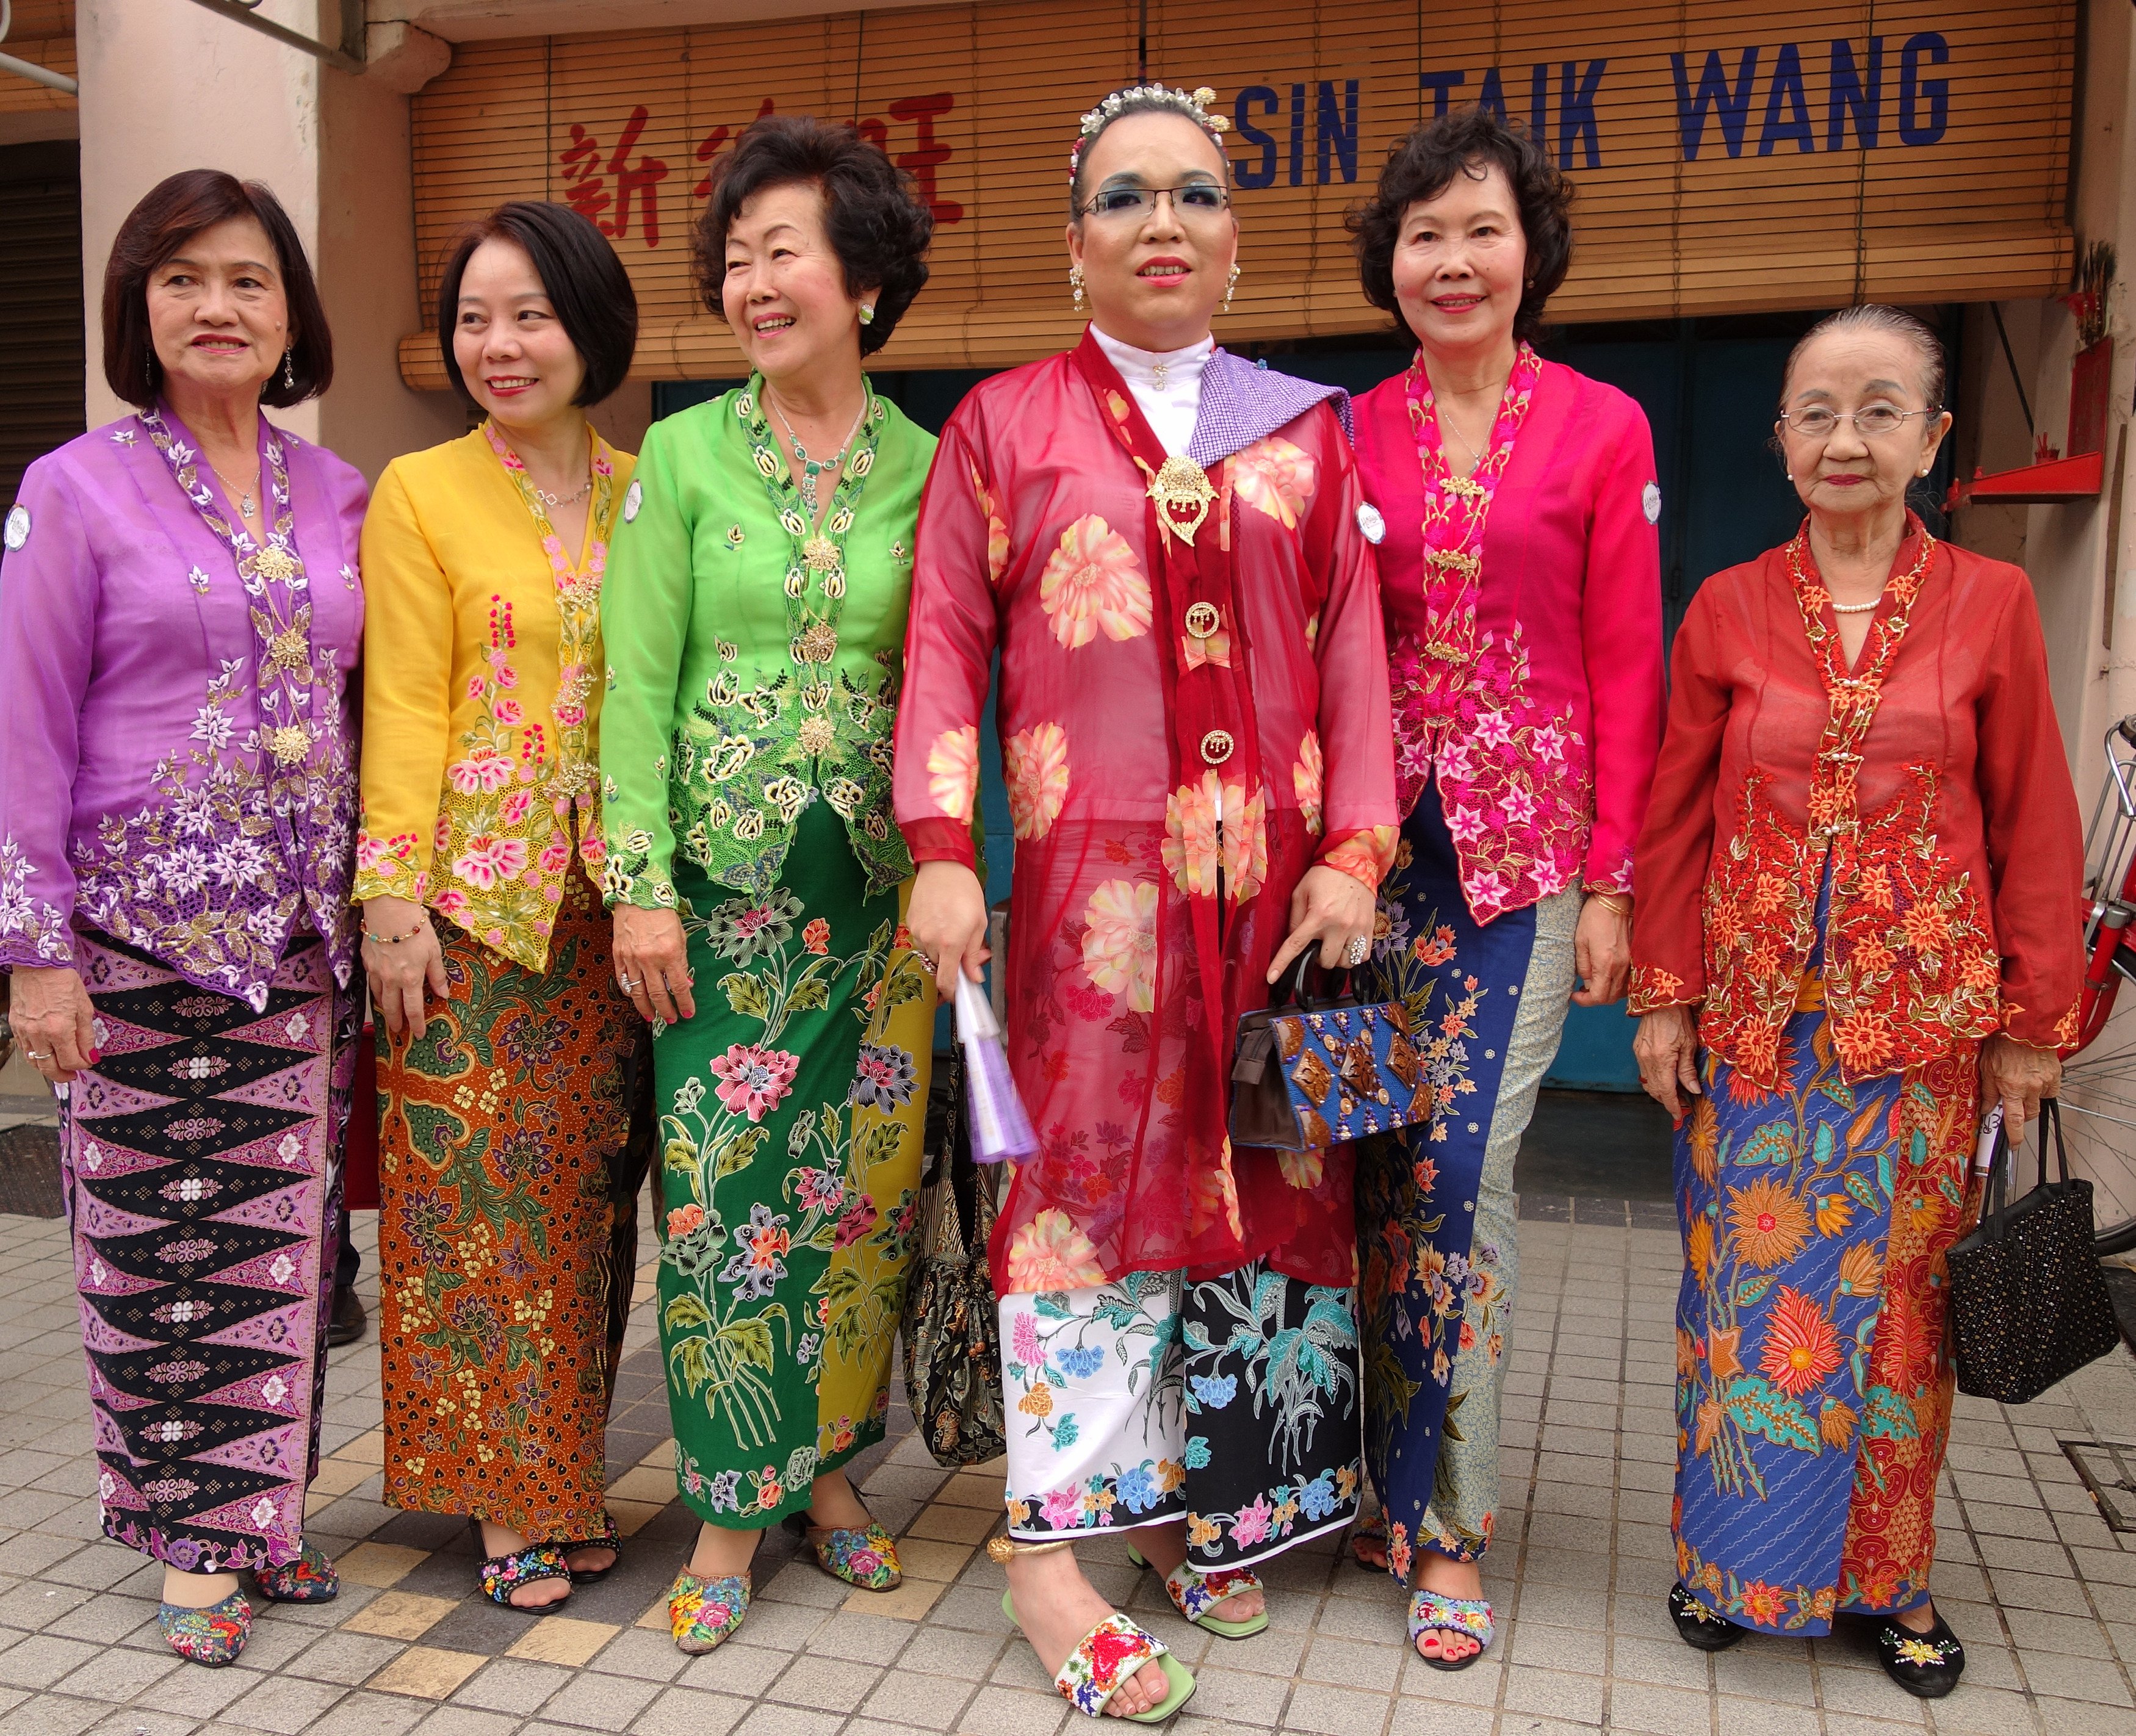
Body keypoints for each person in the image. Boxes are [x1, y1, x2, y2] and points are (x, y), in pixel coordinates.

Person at [898, 84, 1398, 1723]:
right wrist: (943, 840)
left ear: (1235, 243)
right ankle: (1050, 1552)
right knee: (1078, 1197)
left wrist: (1354, 847)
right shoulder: (1004, 425)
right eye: (1123, 197)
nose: (1159, 222)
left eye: (1191, 195)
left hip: (1268, 899)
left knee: (1254, 1181)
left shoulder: (1301, 429)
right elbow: (938, 652)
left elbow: (1348, 653)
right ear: (1074, 247)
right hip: (1084, 904)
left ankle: (1208, 1504)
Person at [1629, 304, 2084, 1700]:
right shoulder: (1725, 605)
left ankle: (1888, 1582)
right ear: (1778, 439)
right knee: (1742, 1303)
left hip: (1923, 1040)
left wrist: (2029, 1022)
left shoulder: (1991, 604)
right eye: (1816, 411)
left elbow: (2034, 819)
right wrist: (1663, 999)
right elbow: (1673, 822)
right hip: (1758, 1035)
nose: (1845, 438)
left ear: (1932, 438)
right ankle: (1730, 1563)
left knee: (1896, 1327)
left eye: (1880, 409)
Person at [0, 170, 363, 1666]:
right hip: (139, 937)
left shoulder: (338, 492)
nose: (216, 307)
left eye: (248, 281)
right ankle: (181, 1537)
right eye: (181, 279)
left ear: (291, 316)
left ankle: (261, 1515)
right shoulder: (71, 487)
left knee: (280, 1245)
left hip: (296, 938)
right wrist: (36, 955)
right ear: (136, 309)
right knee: (155, 1246)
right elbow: (21, 724)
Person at [598, 115, 939, 1655]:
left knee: (861, 1202)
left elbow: (951, 688)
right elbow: (634, 685)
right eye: (733, 259)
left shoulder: (937, 471)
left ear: (862, 280)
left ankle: (833, 1477)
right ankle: (732, 1497)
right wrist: (639, 885)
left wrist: (950, 861)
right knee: (728, 1201)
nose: (751, 281)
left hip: (881, 908)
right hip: (720, 910)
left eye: (780, 251)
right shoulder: (678, 454)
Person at [1342, 107, 1664, 1668]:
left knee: (1463, 1174)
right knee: (1361, 1171)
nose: (1453, 259)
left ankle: (1450, 1523)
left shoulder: (1602, 427)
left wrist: (1615, 884)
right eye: (1424, 234)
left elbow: (1626, 665)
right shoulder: (1343, 434)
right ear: (1388, 265)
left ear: (1529, 250)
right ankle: (1357, 1485)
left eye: (1481, 229)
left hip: (1525, 863)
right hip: (1364, 864)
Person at [356, 201, 651, 1612]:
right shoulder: (418, 489)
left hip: (619, 911)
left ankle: (562, 1480)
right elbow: (406, 697)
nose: (498, 344)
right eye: (475, 317)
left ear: (590, 325)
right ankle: (504, 1507)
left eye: (529, 314)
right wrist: (390, 894)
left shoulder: (649, 485)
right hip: (471, 908)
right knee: (474, 1214)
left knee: (587, 1209)